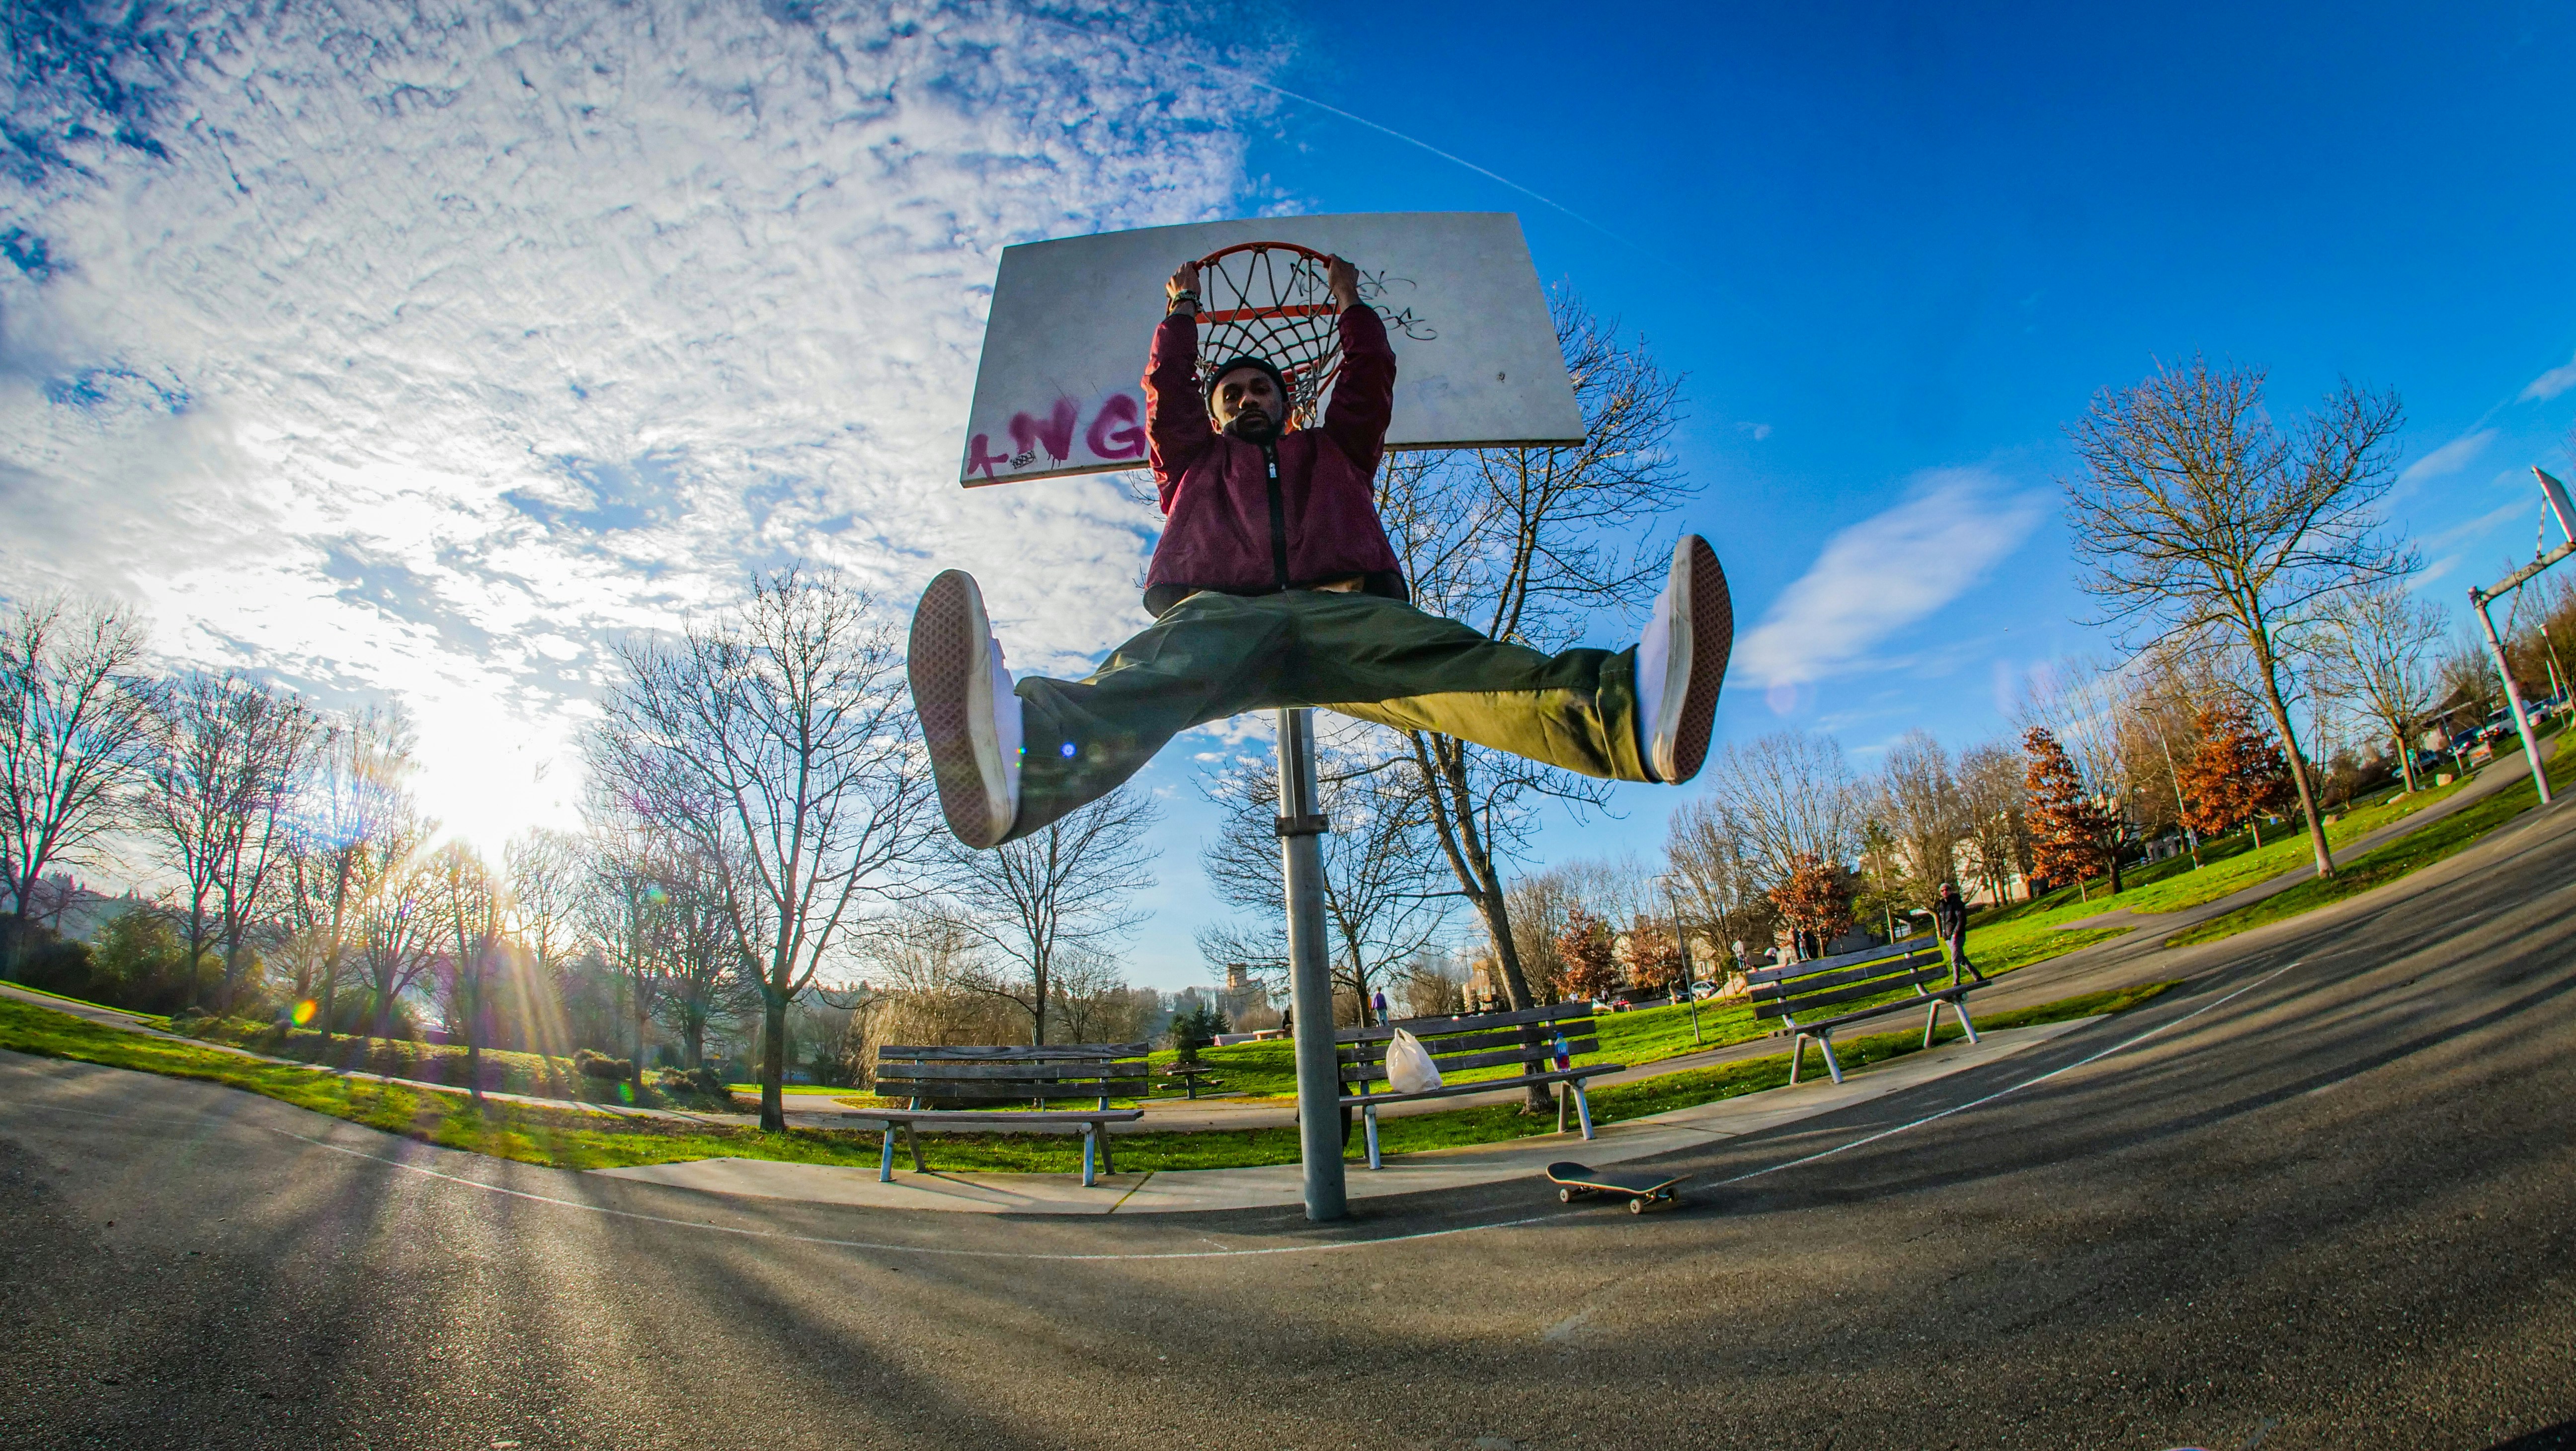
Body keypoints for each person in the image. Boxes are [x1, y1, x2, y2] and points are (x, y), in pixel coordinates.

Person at [910, 251, 1733, 848]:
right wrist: (1180, 315)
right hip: (1222, 615)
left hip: (1342, 609)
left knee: (1453, 663)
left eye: (1259, 388)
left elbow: (1369, 379)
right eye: (1230, 394)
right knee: (1149, 673)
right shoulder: (1193, 461)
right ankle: (1018, 759)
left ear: (1288, 395)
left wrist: (1351, 305)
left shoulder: (1333, 450)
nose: (1244, 399)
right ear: (1217, 409)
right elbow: (1164, 401)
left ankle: (1622, 716)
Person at [1932, 881, 1981, 983]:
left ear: (1951, 890)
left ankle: (1956, 982)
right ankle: (1977, 976)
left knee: (1955, 960)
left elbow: (1961, 920)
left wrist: (1956, 934)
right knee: (1961, 958)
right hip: (1948, 937)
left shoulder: (1957, 902)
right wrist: (1944, 934)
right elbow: (1943, 921)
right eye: (1942, 891)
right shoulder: (1942, 905)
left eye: (1947, 890)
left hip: (1957, 936)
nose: (1945, 892)